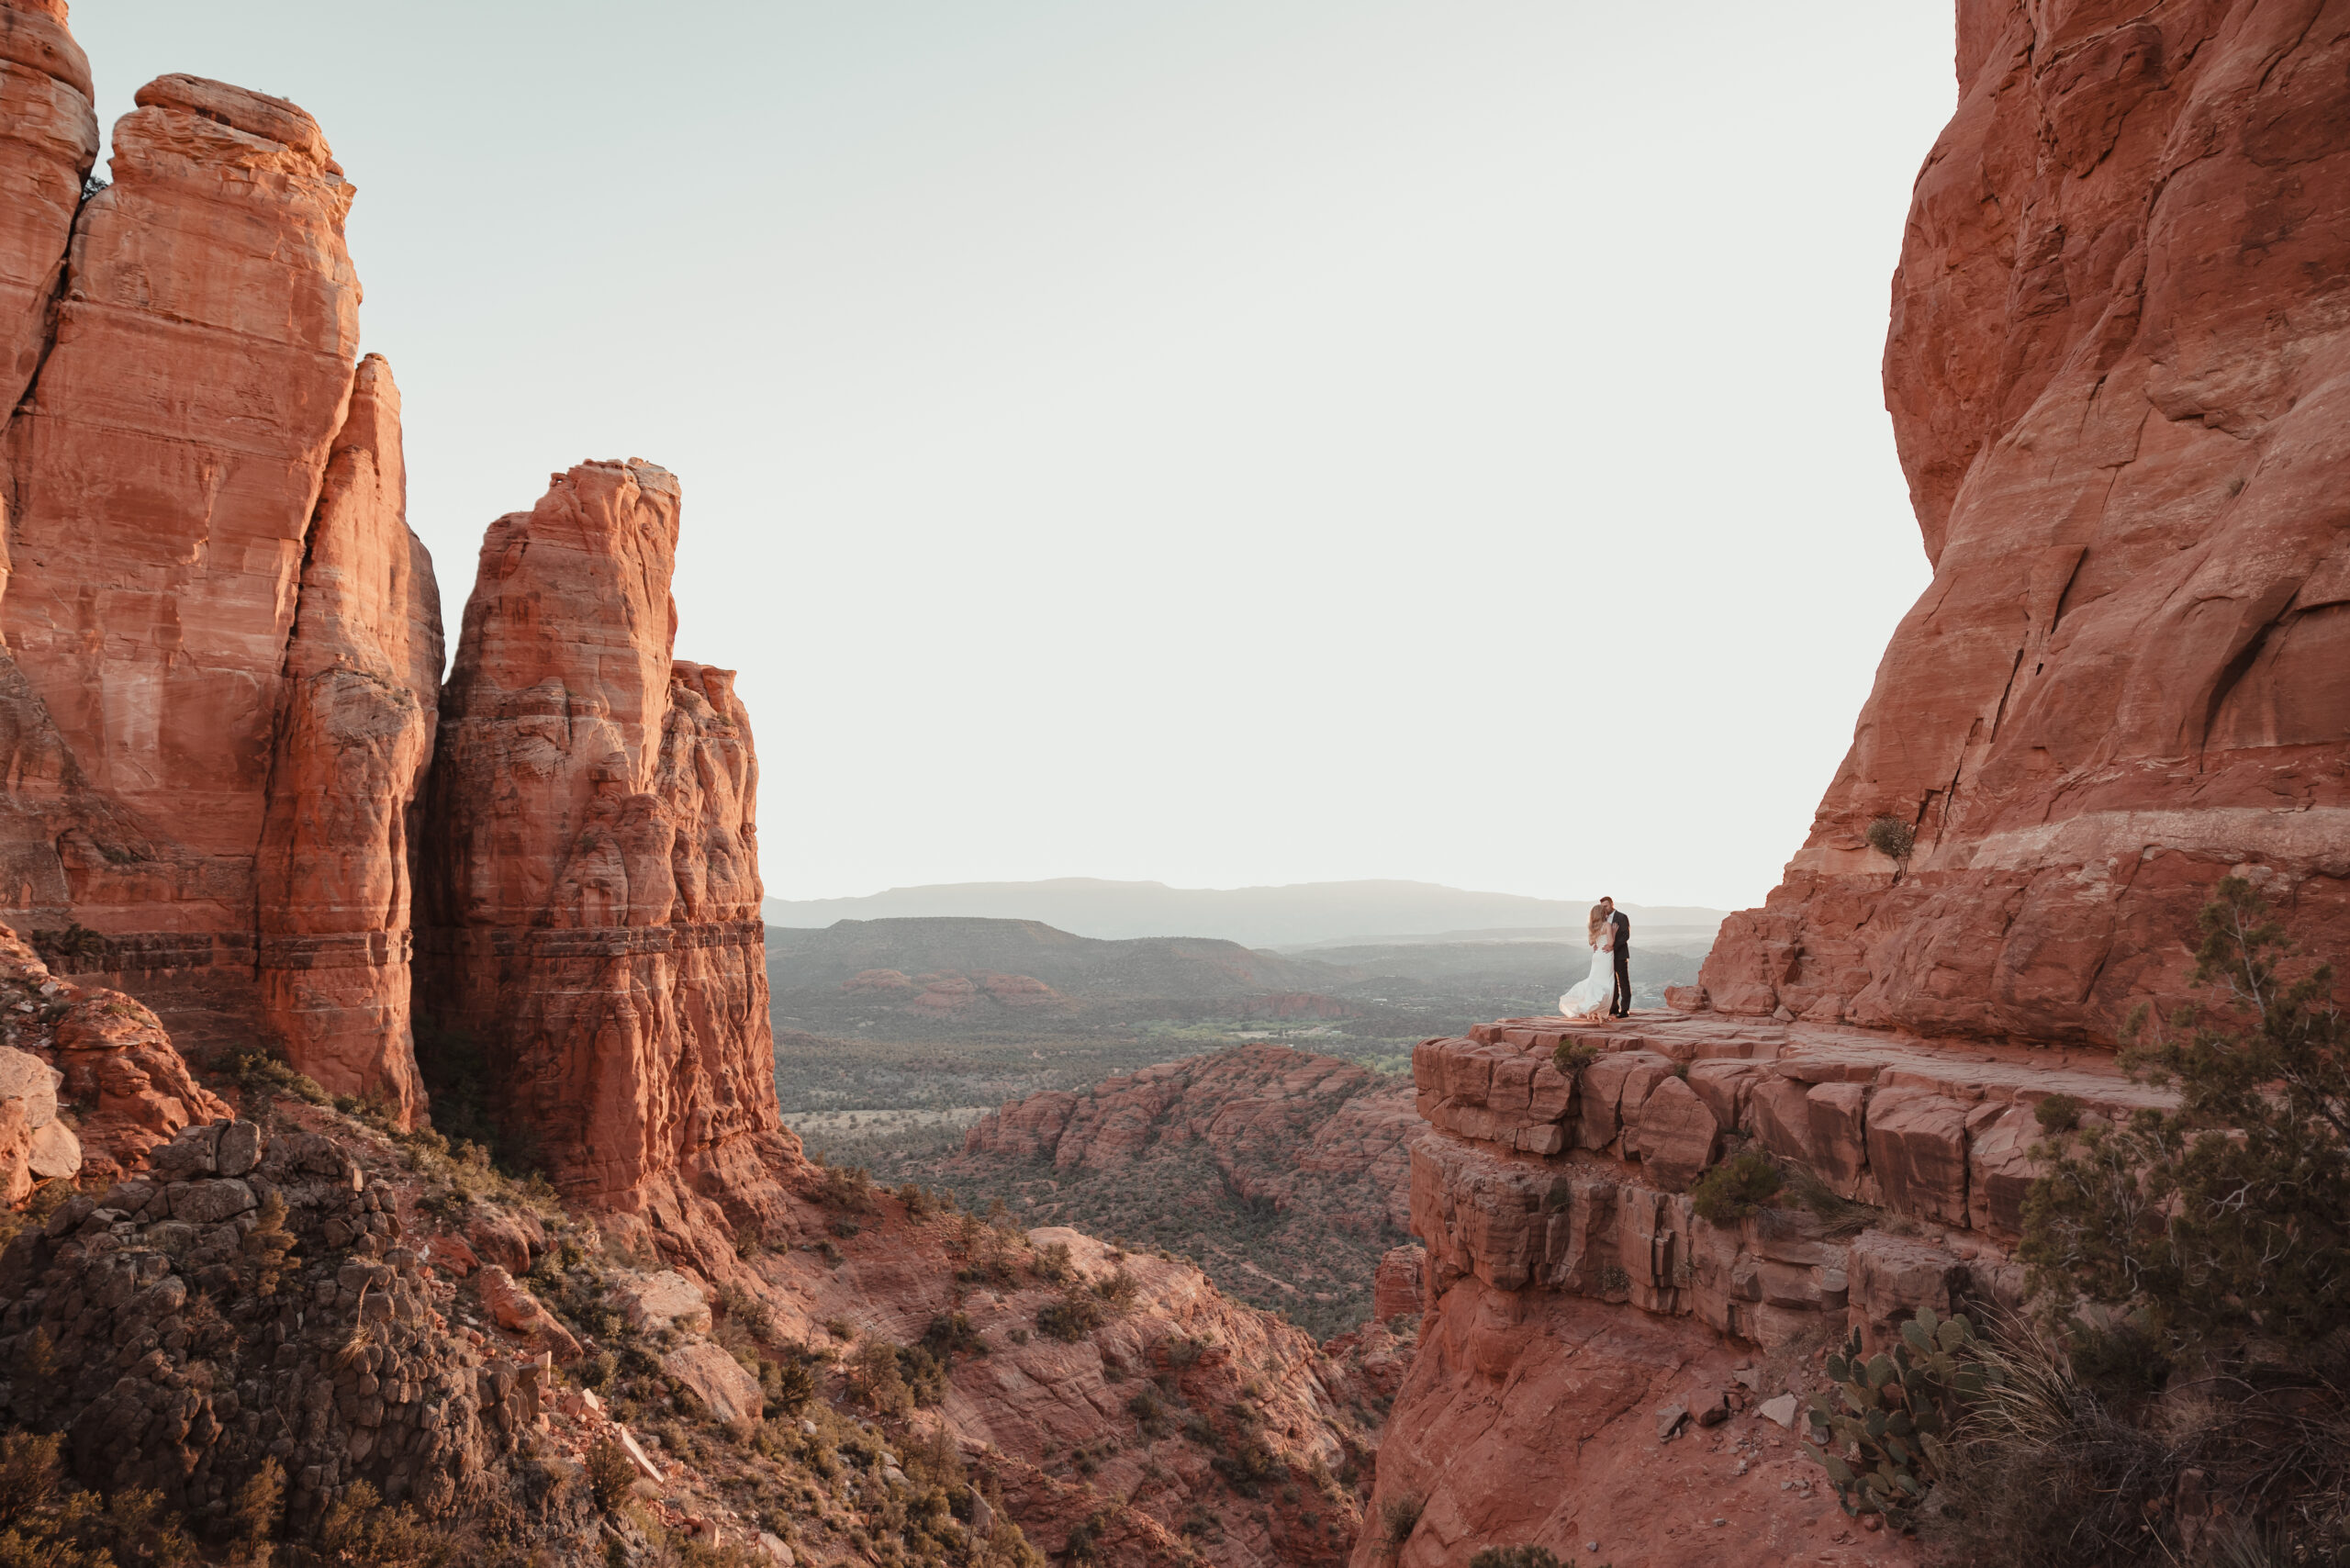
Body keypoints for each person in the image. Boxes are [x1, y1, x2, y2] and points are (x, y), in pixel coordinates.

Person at [1558, 904, 1617, 1021]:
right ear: (1602, 913)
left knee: (1594, 981)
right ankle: (1598, 1010)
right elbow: (1610, 943)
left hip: (1597, 956)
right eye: (1605, 911)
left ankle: (1593, 1010)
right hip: (1606, 957)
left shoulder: (1593, 927)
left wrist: (1597, 944)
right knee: (1607, 983)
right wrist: (1614, 932)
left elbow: (1591, 942)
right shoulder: (1607, 925)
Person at [1600, 895, 1631, 1017]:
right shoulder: (1602, 919)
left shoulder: (1622, 917)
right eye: (1602, 907)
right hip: (1607, 956)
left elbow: (1625, 936)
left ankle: (1625, 1010)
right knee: (1611, 982)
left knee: (1624, 982)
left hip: (1620, 955)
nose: (1605, 908)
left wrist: (1613, 946)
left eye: (1606, 906)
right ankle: (1614, 1008)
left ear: (1612, 904)